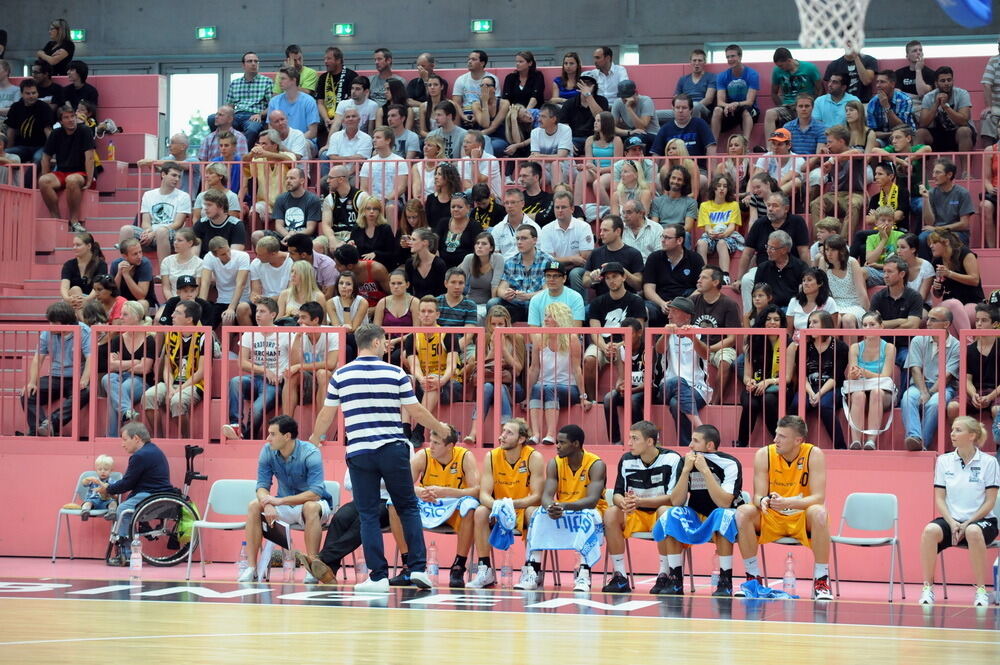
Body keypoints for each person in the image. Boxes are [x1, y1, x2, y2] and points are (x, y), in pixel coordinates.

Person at [310, 323, 452, 590]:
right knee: (408, 507)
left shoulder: (340, 375)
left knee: (367, 515)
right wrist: (440, 428)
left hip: (360, 451)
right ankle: (418, 568)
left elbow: (326, 414)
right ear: (376, 343)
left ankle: (378, 576)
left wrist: (315, 439)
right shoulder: (396, 372)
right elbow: (416, 410)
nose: (386, 346)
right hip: (392, 449)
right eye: (384, 342)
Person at [733, 415, 832, 600]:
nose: (775, 440)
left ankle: (821, 581)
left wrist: (789, 503)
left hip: (801, 515)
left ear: (798, 440)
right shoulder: (764, 454)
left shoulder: (814, 454)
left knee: (820, 513)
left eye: (782, 436)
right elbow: (757, 496)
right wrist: (763, 500)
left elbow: (818, 498)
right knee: (742, 512)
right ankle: (753, 578)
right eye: (776, 434)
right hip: (772, 515)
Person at [236, 415, 334, 582]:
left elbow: (315, 493)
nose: (268, 439)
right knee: (254, 505)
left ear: (287, 436)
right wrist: (267, 504)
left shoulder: (311, 453)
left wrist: (278, 501)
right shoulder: (267, 450)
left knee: (310, 507)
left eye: (273, 434)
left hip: (314, 506)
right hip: (284, 506)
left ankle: (312, 568)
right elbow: (262, 486)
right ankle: (251, 568)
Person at [516, 424, 608, 592]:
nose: (557, 446)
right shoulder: (555, 463)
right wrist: (550, 507)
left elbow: (592, 500)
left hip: (590, 511)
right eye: (557, 442)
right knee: (537, 514)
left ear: (576, 444)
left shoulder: (596, 464)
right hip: (563, 510)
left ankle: (583, 573)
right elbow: (546, 496)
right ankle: (533, 570)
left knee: (587, 515)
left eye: (562, 442)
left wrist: (563, 506)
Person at [918, 416, 999, 607]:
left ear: (972, 436)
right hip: (952, 520)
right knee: (930, 531)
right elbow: (939, 498)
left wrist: (967, 523)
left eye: (958, 430)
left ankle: (981, 591)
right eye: (952, 429)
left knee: (973, 531)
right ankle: (928, 588)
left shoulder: (989, 462)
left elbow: (990, 502)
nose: (952, 434)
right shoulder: (944, 461)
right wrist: (953, 523)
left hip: (982, 521)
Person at [388, 426, 480, 588]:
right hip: (427, 503)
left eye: (436, 443)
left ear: (450, 446)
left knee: (471, 506)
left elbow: (477, 490)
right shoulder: (423, 455)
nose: (431, 446)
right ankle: (408, 565)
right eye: (431, 441)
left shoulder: (465, 456)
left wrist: (447, 492)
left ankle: (458, 567)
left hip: (452, 503)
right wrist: (418, 491)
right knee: (394, 503)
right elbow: (400, 485)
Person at [601, 420, 683, 594]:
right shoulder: (627, 459)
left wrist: (640, 502)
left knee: (665, 512)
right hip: (635, 513)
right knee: (611, 513)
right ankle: (620, 576)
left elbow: (673, 499)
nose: (629, 443)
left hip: (660, 513)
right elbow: (617, 493)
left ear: (650, 441)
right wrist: (622, 502)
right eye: (629, 438)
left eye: (634, 438)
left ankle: (664, 574)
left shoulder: (672, 459)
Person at [466, 418, 545, 588]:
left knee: (534, 513)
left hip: (522, 509)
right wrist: (498, 506)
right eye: (503, 431)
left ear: (521, 439)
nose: (502, 436)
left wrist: (511, 505)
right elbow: (484, 494)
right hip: (499, 509)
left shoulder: (534, 457)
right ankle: (485, 570)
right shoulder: (491, 456)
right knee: (480, 511)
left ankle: (532, 570)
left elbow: (537, 496)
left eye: (509, 433)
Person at [85, 422, 173, 563]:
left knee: (123, 509)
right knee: (125, 506)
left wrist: (107, 489)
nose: (122, 444)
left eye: (125, 439)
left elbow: (127, 483)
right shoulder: (152, 450)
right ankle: (125, 549)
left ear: (136, 438)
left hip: (152, 495)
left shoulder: (140, 456)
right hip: (157, 494)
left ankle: (126, 555)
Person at [222, 298, 290, 441]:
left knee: (257, 409)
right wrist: (265, 370)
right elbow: (242, 362)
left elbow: (295, 360)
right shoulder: (250, 333)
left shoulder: (285, 334)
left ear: (273, 315)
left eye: (262, 311)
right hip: (256, 378)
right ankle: (235, 425)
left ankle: (247, 437)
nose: (257, 314)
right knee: (235, 381)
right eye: (257, 311)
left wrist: (283, 374)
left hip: (274, 383)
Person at [22, 301, 92, 437]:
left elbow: (91, 358)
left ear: (67, 323)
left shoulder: (84, 331)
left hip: (76, 377)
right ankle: (41, 428)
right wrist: (32, 382)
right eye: (50, 322)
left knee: (85, 392)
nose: (50, 325)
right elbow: (37, 359)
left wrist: (84, 379)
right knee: (27, 394)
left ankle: (50, 424)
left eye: (54, 323)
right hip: (55, 376)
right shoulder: (47, 333)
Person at [526, 302, 591, 445]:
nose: (545, 319)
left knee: (550, 388)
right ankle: (535, 434)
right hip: (544, 385)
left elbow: (577, 369)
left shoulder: (572, 338)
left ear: (560, 318)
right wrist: (527, 396)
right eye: (545, 316)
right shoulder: (539, 338)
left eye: (550, 316)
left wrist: (583, 396)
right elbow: (534, 368)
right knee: (538, 388)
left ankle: (551, 434)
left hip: (568, 387)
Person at [141, 300, 208, 437]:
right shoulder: (171, 334)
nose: (172, 315)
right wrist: (170, 387)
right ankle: (158, 438)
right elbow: (167, 368)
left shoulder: (204, 336)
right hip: (173, 382)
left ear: (189, 319)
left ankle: (187, 440)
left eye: (177, 313)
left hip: (195, 384)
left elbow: (202, 372)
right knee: (148, 396)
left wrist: (179, 389)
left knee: (177, 401)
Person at [403, 297, 463, 445]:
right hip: (426, 383)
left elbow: (452, 365)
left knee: (433, 379)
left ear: (437, 314)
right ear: (418, 314)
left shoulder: (447, 334)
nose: (426, 314)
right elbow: (414, 366)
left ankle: (419, 430)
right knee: (406, 380)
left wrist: (441, 380)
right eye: (423, 311)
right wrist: (421, 379)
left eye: (430, 311)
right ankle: (405, 430)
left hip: (451, 383)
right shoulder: (412, 337)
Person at [654, 296, 711, 446]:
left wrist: (692, 338)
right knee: (677, 381)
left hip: (697, 388)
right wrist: (665, 334)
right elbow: (659, 350)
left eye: (674, 311)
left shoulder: (699, 332)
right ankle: (702, 430)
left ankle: (685, 446)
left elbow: (706, 354)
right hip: (667, 386)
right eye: (669, 311)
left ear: (687, 316)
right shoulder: (666, 330)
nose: (669, 316)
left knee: (676, 403)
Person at [582, 262, 647, 396]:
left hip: (627, 345)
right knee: (589, 360)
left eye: (615, 276)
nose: (611, 281)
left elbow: (637, 332)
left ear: (624, 277)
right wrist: (605, 347)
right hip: (602, 344)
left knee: (627, 352)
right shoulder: (597, 302)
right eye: (607, 278)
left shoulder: (636, 301)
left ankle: (628, 396)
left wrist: (619, 346)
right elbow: (595, 332)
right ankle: (592, 400)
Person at [787, 311, 848, 449]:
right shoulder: (804, 347)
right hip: (809, 387)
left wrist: (819, 394)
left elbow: (835, 376)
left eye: (815, 322)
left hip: (832, 387)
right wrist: (811, 393)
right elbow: (802, 375)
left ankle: (840, 447)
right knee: (796, 404)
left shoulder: (840, 347)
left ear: (825, 325)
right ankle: (791, 445)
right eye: (809, 322)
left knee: (824, 405)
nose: (810, 325)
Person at [843, 311, 896, 451]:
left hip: (882, 392)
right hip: (860, 388)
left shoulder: (889, 348)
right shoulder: (855, 347)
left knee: (876, 392)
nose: (868, 328)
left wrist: (865, 373)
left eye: (872, 324)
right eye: (865, 325)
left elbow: (886, 375)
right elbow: (852, 374)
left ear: (881, 326)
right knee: (858, 395)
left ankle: (871, 441)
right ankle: (856, 441)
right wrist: (853, 374)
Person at [947, 305, 1000, 446]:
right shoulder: (969, 350)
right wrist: (974, 394)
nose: (979, 324)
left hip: (996, 392)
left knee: (998, 410)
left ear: (995, 324)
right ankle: (959, 446)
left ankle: (999, 449)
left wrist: (990, 397)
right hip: (975, 392)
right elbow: (967, 379)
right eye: (977, 320)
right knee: (953, 407)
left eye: (984, 320)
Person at [100, 301, 155, 437]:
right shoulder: (117, 339)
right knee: (107, 378)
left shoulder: (149, 340)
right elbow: (111, 366)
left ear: (136, 317)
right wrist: (134, 362)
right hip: (118, 378)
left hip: (140, 380)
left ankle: (111, 438)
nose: (120, 317)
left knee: (118, 392)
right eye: (121, 314)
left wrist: (121, 364)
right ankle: (126, 411)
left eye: (125, 314)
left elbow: (144, 369)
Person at [736, 306, 789, 447]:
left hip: (778, 387)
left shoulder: (788, 344)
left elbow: (788, 377)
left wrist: (768, 382)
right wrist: (750, 382)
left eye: (776, 320)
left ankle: (780, 442)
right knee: (750, 404)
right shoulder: (753, 342)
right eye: (768, 319)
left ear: (782, 323)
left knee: (768, 400)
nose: (772, 323)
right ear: (762, 322)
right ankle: (741, 443)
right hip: (756, 387)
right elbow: (747, 376)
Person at [119, 161, 191, 265]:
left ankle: (164, 270)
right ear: (163, 174)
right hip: (151, 233)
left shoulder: (184, 196)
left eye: (179, 177)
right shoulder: (148, 195)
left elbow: (177, 224)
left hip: (171, 234)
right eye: (174, 175)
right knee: (125, 229)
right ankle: (124, 266)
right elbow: (145, 222)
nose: (177, 179)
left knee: (161, 231)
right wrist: (148, 232)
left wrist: (154, 233)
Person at [38, 103, 94, 232]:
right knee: (43, 180)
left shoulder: (85, 130)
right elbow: (45, 157)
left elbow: (90, 157)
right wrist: (46, 174)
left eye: (72, 116)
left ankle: (74, 221)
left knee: (72, 180)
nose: (71, 120)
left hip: (81, 172)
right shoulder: (56, 133)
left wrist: (90, 180)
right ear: (60, 121)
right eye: (66, 117)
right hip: (62, 172)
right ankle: (56, 219)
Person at [691, 266, 741, 403]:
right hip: (696, 346)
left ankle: (715, 402)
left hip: (720, 347)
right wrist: (701, 348)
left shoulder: (729, 304)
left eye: (704, 278)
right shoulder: (693, 301)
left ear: (715, 282)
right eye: (699, 277)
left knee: (725, 361)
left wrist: (709, 349)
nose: (699, 280)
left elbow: (731, 339)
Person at [282, 301, 340, 415]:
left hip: (330, 381)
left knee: (322, 373)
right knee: (291, 375)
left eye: (303, 318)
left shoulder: (332, 334)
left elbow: (331, 364)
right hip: (308, 378)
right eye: (299, 317)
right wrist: (298, 336)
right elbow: (294, 364)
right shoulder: (298, 335)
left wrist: (299, 366)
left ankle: (320, 425)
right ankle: (286, 423)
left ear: (315, 320)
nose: (299, 321)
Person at [642, 224, 704, 326]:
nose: (662, 240)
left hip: (685, 301)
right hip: (660, 302)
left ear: (679, 240)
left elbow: (701, 288)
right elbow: (648, 289)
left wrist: (681, 304)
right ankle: (644, 337)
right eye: (662, 237)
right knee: (644, 309)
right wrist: (662, 304)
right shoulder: (654, 258)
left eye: (667, 238)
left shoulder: (695, 258)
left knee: (697, 303)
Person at [490, 224, 553, 323]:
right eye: (517, 239)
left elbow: (549, 290)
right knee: (493, 303)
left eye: (524, 238)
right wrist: (506, 294)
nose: (519, 242)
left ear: (534, 240)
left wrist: (528, 296)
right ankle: (497, 333)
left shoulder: (548, 261)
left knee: (545, 304)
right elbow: (501, 288)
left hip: (537, 303)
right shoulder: (510, 262)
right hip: (516, 304)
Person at [695, 174, 743, 280]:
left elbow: (732, 227)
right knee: (701, 243)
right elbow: (707, 227)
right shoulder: (704, 206)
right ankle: (704, 274)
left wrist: (723, 234)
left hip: (728, 236)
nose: (721, 188)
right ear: (714, 188)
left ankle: (725, 277)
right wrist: (711, 233)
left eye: (725, 186)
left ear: (728, 189)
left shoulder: (734, 205)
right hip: (711, 235)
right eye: (719, 185)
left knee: (721, 243)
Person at [765, 48, 823, 137]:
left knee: (804, 112)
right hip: (788, 106)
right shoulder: (777, 71)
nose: (780, 68)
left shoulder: (809, 68)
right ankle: (770, 144)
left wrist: (814, 106)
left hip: (805, 104)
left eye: (781, 66)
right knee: (770, 113)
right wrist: (781, 106)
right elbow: (774, 93)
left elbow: (820, 89)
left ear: (789, 60)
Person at [916, 67, 975, 153]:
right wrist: (936, 104)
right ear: (936, 83)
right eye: (943, 81)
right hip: (939, 135)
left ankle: (966, 163)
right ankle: (916, 162)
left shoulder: (962, 94)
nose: (947, 83)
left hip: (959, 135)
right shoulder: (928, 97)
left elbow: (964, 121)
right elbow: (922, 124)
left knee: (964, 131)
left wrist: (946, 107)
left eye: (949, 80)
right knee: (920, 133)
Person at [5, 79, 54, 181]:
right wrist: (9, 150)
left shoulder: (44, 108)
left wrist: (51, 152)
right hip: (21, 147)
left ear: (38, 93)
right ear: (22, 94)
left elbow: (48, 131)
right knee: (6, 154)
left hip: (41, 146)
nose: (31, 96)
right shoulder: (16, 107)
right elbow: (11, 131)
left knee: (38, 159)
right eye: (28, 93)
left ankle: (27, 187)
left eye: (34, 93)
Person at [219, 52, 270, 147]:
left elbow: (272, 105)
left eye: (256, 61)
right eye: (250, 61)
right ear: (243, 65)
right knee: (212, 119)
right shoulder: (235, 83)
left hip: (254, 116)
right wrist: (225, 115)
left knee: (252, 129)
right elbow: (229, 106)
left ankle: (242, 154)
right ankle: (221, 150)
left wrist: (260, 114)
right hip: (236, 116)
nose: (253, 64)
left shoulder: (267, 82)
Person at [711, 44, 760, 141]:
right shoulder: (722, 76)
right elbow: (720, 102)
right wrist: (728, 106)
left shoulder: (752, 74)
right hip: (730, 109)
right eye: (728, 57)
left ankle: (745, 144)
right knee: (717, 110)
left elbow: (750, 101)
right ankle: (713, 145)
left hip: (747, 109)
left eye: (733, 56)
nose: (730, 59)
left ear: (740, 56)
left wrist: (736, 104)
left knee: (746, 110)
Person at [199, 236, 251, 327]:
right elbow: (205, 283)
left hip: (242, 300)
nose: (228, 255)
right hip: (222, 300)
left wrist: (231, 308)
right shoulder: (209, 257)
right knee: (205, 324)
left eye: (228, 250)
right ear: (215, 255)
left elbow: (240, 284)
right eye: (223, 254)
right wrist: (201, 308)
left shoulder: (243, 256)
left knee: (228, 317)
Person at [360, 127, 408, 223]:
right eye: (374, 137)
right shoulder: (368, 162)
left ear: (388, 140)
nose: (374, 140)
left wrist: (385, 200)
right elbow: (363, 188)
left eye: (378, 137)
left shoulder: (400, 161)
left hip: (393, 200)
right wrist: (371, 201)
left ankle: (391, 233)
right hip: (372, 200)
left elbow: (401, 187)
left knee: (390, 207)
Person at [651, 94, 717, 162]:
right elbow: (656, 154)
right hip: (673, 168)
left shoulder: (700, 124)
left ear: (691, 110)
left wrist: (712, 168)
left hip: (697, 167)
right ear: (673, 109)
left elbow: (711, 146)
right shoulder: (665, 129)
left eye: (684, 108)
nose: (680, 111)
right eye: (677, 107)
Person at [822, 234, 869, 328]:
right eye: (827, 250)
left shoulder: (852, 262)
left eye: (833, 250)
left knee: (847, 319)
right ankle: (834, 339)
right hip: (833, 305)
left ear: (842, 251)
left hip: (854, 305)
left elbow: (861, 291)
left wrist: (868, 313)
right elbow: (822, 290)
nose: (829, 253)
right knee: (835, 317)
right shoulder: (823, 262)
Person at [315, 46, 358, 141]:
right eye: (325, 59)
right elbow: (320, 102)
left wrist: (337, 120)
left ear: (338, 60)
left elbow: (352, 102)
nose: (325, 61)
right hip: (327, 118)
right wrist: (326, 119)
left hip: (345, 117)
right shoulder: (323, 78)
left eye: (329, 59)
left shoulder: (351, 76)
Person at [60, 231, 106, 317]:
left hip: (92, 299)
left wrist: (86, 299)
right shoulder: (68, 264)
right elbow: (64, 286)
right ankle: (84, 321)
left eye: (78, 245)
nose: (74, 248)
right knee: (75, 289)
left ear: (89, 246)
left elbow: (98, 287)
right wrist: (67, 299)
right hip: (73, 301)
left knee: (76, 291)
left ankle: (82, 320)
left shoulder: (100, 264)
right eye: (73, 245)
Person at [192, 190, 247, 258]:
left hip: (227, 262)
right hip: (204, 262)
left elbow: (234, 256)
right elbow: (194, 255)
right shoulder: (200, 224)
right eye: (205, 205)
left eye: (209, 205)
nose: (205, 208)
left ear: (221, 206)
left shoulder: (236, 225)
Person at [529, 103, 573, 186]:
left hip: (566, 169)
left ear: (553, 119)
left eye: (543, 117)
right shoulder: (535, 132)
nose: (539, 119)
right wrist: (537, 157)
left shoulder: (565, 129)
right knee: (533, 168)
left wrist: (539, 156)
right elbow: (534, 157)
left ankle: (559, 193)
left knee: (555, 164)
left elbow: (561, 157)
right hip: (545, 170)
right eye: (539, 116)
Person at [866, 70, 916, 143]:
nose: (878, 85)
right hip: (884, 138)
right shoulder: (873, 102)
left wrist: (886, 106)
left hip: (906, 137)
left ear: (892, 84)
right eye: (877, 82)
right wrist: (889, 134)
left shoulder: (905, 100)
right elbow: (872, 132)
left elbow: (902, 128)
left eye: (882, 82)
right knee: (873, 143)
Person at [110, 238, 156, 311]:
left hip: (146, 302)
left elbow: (141, 296)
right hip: (123, 301)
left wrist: (126, 275)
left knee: (141, 303)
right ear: (125, 256)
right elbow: (112, 293)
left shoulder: (145, 264)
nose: (139, 256)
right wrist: (119, 274)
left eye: (140, 252)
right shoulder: (116, 264)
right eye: (135, 254)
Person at [404, 228, 448, 299]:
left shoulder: (439, 264)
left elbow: (442, 292)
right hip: (415, 303)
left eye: (414, 239)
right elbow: (408, 290)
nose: (410, 242)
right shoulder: (410, 263)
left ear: (425, 242)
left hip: (434, 303)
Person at [650, 166, 697, 232]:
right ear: (669, 179)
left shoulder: (691, 203)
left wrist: (672, 233)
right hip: (661, 233)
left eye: (679, 179)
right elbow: (654, 226)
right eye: (673, 178)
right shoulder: (657, 201)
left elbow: (688, 228)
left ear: (684, 182)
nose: (675, 181)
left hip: (680, 233)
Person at [78, 454, 121, 521]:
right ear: (96, 470)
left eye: (106, 469)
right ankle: (85, 511)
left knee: (113, 502)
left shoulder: (112, 482)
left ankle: (112, 512)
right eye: (100, 469)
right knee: (87, 502)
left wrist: (101, 484)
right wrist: (87, 479)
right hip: (93, 501)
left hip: (106, 502)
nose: (102, 471)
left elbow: (116, 497)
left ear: (111, 471)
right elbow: (84, 484)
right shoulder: (93, 480)